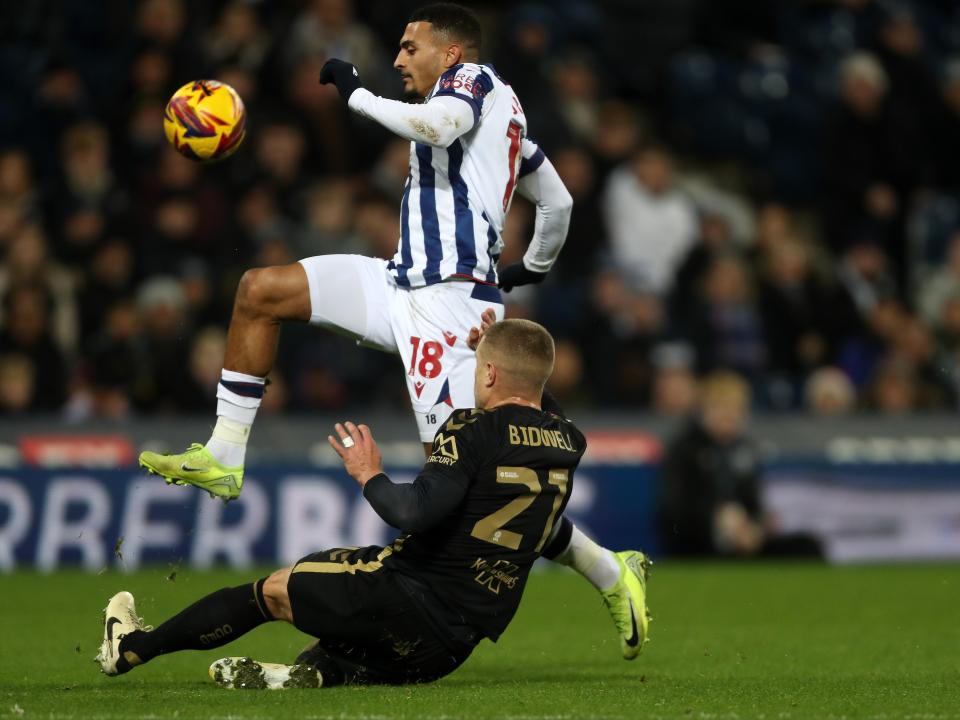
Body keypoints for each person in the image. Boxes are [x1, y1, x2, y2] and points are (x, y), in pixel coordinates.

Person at [139, 3, 644, 659]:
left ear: (451, 53)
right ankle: (225, 456)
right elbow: (558, 202)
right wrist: (532, 268)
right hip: (399, 282)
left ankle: (611, 571)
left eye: (411, 47)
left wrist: (354, 93)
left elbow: (438, 127)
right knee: (261, 291)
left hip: (454, 310)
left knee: (466, 483)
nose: (399, 58)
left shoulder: (475, 89)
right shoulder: (504, 115)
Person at [97, 319, 651, 688]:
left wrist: (370, 475)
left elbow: (412, 512)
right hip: (448, 651)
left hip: (406, 597)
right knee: (343, 642)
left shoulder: (472, 430)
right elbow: (536, 406)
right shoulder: (568, 442)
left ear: (487, 374)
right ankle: (308, 675)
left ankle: (131, 649)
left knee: (270, 593)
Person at [658, 371, 821, 558]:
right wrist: (714, 520)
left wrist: (757, 526)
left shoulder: (745, 450)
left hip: (743, 543)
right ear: (702, 411)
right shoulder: (684, 449)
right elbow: (672, 513)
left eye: (736, 408)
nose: (729, 415)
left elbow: (753, 502)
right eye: (721, 407)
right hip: (700, 545)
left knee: (808, 547)